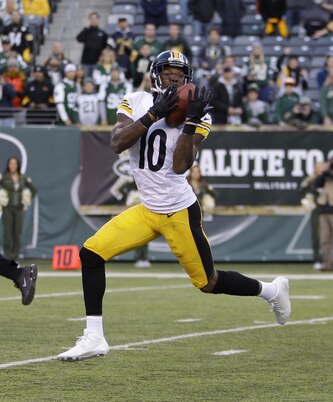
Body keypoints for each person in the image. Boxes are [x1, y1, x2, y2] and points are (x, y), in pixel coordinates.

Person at [57, 50, 291, 362]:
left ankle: (272, 291)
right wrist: (153, 114)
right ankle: (94, 337)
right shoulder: (136, 100)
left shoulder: (199, 115)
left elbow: (181, 165)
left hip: (179, 209)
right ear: (156, 73)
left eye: (179, 73)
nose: (174, 77)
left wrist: (191, 122)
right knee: (91, 253)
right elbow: (117, 143)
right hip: (147, 209)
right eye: (168, 71)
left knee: (209, 283)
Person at [0, 156, 37, 261]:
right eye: (11, 163)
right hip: (7, 208)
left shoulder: (22, 178)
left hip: (19, 209)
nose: (13, 165)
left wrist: (27, 199)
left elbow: (34, 189)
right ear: (8, 165)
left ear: (18, 165)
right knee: (7, 232)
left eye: (15, 163)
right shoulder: (4, 177)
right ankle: (7, 255)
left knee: (17, 232)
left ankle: (15, 255)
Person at [300, 162, 326, 270]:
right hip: (316, 210)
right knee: (316, 236)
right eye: (319, 168)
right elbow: (302, 191)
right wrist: (308, 202)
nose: (321, 169)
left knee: (326, 237)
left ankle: (327, 260)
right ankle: (317, 259)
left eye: (323, 168)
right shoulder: (310, 179)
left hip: (327, 209)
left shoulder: (328, 179)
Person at [76, 12, 109, 78]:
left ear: (98, 20)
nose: (93, 20)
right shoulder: (86, 31)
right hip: (86, 62)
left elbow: (105, 46)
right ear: (89, 20)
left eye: (95, 18)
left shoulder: (102, 33)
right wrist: (86, 29)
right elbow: (79, 39)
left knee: (96, 79)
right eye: (92, 18)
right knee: (85, 79)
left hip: (97, 62)